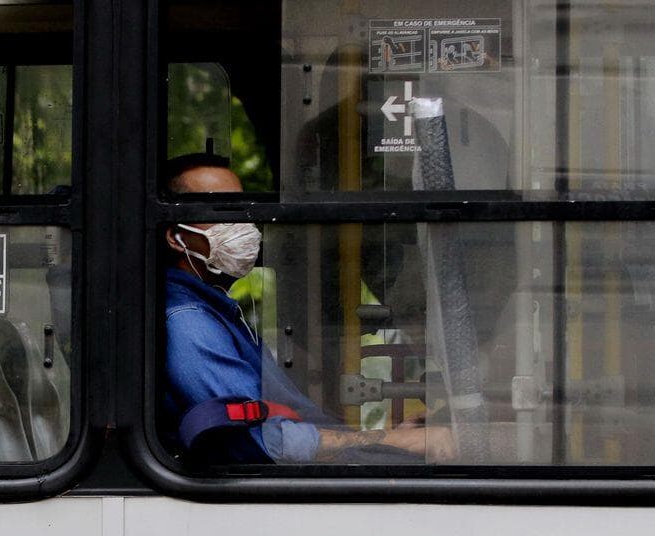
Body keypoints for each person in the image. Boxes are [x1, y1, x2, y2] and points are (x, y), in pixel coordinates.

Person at [160, 153, 455, 464]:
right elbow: (268, 443)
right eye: (222, 210)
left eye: (242, 209)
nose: (241, 223)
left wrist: (386, 440)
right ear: (177, 238)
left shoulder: (219, 313)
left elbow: (294, 427)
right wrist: (399, 440)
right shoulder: (187, 322)